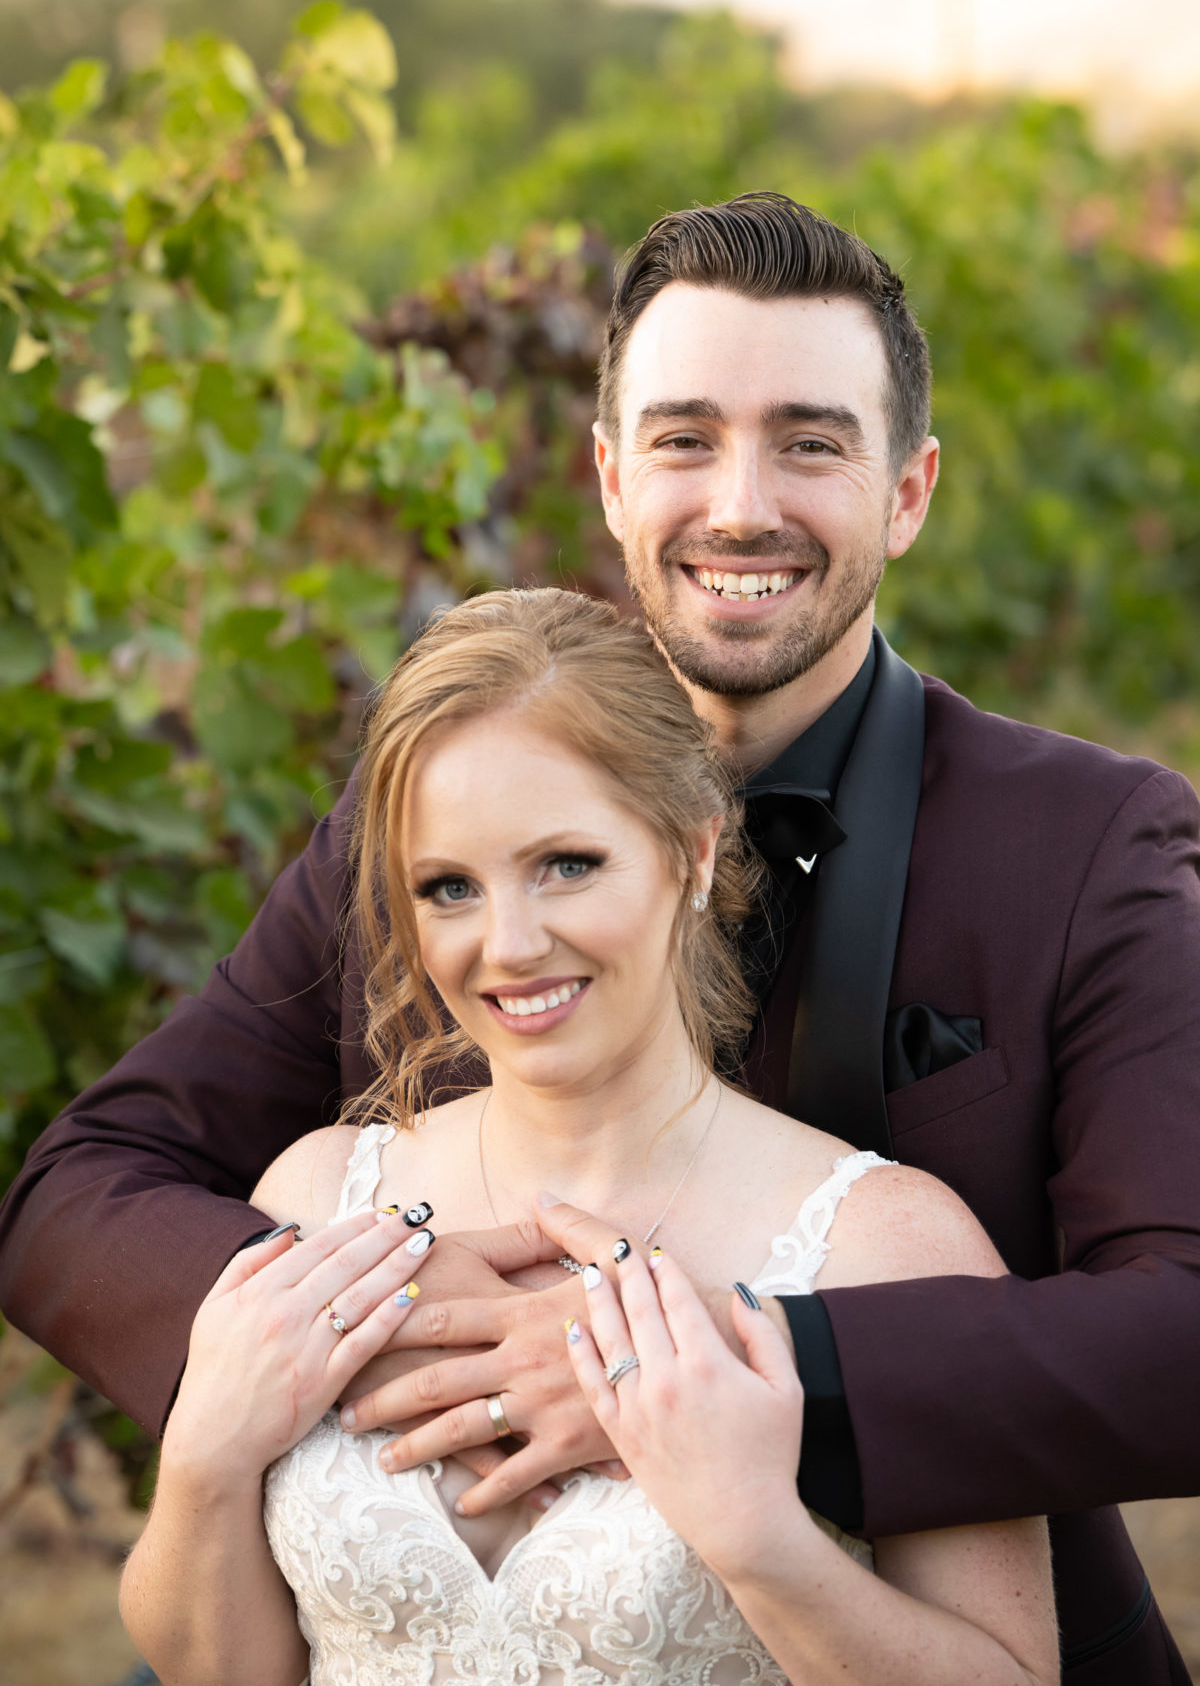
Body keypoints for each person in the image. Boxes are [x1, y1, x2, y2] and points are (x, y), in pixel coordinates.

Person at [2, 193, 1198, 1681]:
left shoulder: (1090, 846)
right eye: (686, 439)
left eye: (812, 442)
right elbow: (83, 1186)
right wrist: (356, 1324)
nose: (741, 504)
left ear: (908, 492)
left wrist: (738, 1371)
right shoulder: (444, 819)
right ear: (614, 480)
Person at [118, 588, 1059, 1686]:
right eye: (450, 887)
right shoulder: (316, 1195)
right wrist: (204, 1457)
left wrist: (757, 1538)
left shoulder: (888, 1247)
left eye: (567, 864)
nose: (509, 945)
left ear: (693, 852)